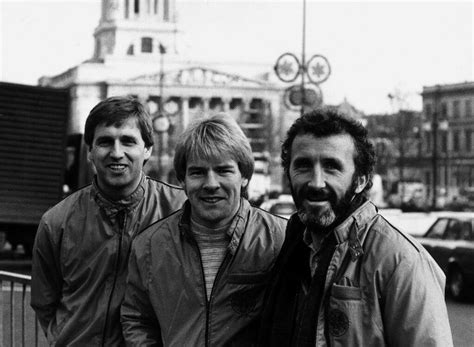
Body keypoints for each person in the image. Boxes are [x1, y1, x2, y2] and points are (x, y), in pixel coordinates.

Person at [259, 108, 453, 346]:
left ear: (360, 181)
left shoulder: (401, 261)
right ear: (288, 173)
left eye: (332, 167)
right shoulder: (293, 246)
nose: (316, 182)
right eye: (303, 166)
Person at [30, 96, 186, 346]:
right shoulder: (56, 221)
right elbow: (44, 302)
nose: (116, 153)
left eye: (127, 141)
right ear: (90, 151)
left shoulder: (179, 210)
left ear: (147, 150)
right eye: (104, 142)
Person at [121, 113, 286, 346]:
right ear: (182, 180)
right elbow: (137, 319)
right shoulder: (149, 245)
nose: (210, 184)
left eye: (223, 171)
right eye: (197, 172)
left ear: (245, 176)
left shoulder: (280, 239)